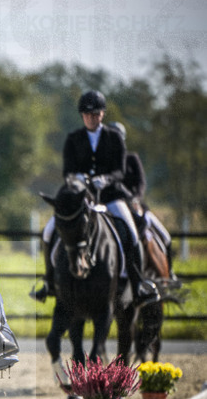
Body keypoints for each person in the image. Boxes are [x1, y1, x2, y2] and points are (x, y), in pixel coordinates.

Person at [32, 90, 160, 305]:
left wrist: (106, 179)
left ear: (102, 114)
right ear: (82, 116)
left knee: (130, 230)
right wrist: (77, 177)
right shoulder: (74, 139)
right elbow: (68, 171)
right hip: (82, 198)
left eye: (96, 114)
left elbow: (120, 170)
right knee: (49, 230)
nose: (92, 118)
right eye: (88, 114)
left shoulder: (115, 138)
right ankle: (49, 281)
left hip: (110, 196)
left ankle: (139, 284)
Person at [110, 121, 176, 280]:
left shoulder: (132, 158)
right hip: (114, 205)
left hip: (136, 205)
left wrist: (135, 199)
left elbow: (141, 184)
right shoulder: (106, 164)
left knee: (165, 237)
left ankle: (170, 273)